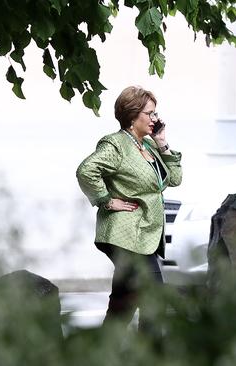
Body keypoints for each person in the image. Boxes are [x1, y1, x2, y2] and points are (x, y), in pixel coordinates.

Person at [76, 85, 182, 332]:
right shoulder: (116, 145)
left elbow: (175, 178)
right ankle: (151, 353)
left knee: (124, 302)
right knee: (153, 294)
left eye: (156, 113)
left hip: (145, 234)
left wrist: (163, 143)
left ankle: (100, 351)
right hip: (125, 234)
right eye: (151, 113)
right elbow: (86, 170)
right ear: (133, 115)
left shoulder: (149, 146)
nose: (156, 119)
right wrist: (106, 199)